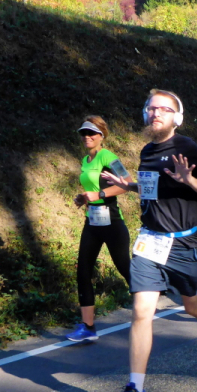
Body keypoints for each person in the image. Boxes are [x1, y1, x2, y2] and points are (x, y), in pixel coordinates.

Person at [101, 89, 197, 392]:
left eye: (164, 109)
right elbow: (154, 189)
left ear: (177, 117)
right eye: (151, 108)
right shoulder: (147, 151)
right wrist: (130, 186)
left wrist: (190, 180)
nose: (156, 113)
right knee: (141, 311)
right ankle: (136, 389)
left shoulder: (186, 147)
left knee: (193, 306)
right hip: (149, 242)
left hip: (183, 244)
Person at [67, 116, 132, 342]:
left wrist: (100, 194)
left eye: (92, 133)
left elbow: (127, 183)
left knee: (125, 268)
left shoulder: (108, 156)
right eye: (84, 133)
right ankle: (88, 327)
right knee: (83, 271)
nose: (87, 137)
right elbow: (93, 189)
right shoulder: (85, 160)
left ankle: (146, 307)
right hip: (92, 221)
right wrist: (84, 198)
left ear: (101, 135)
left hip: (112, 221)